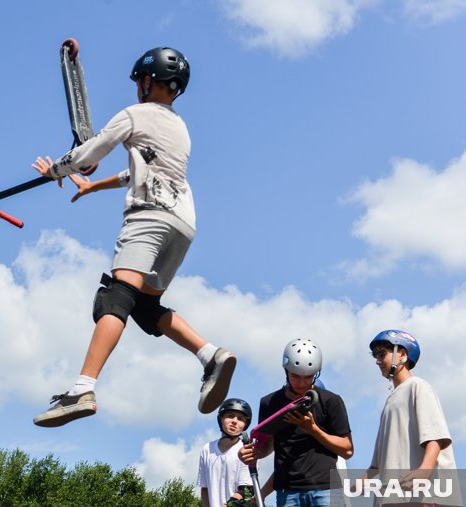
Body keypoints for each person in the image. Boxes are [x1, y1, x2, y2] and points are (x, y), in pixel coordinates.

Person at [31, 47, 236, 427]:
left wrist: (56, 170)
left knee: (117, 296)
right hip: (183, 224)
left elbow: (90, 152)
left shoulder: (134, 115)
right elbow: (135, 171)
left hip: (149, 216)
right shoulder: (179, 127)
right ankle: (210, 355)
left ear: (146, 81)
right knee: (143, 306)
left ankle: (82, 388)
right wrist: (93, 187)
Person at [239, 338, 353, 506]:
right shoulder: (269, 403)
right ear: (286, 371)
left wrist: (313, 429)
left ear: (316, 373)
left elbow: (347, 450)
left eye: (308, 377)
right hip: (287, 492)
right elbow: (267, 446)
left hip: (326, 489)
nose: (301, 383)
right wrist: (250, 453)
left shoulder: (331, 401)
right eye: (295, 376)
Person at [360, 329, 460, 506]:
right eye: (375, 356)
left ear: (402, 354)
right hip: (395, 495)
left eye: (382, 354)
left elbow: (435, 436)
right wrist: (365, 477)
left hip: (423, 495)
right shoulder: (391, 400)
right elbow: (380, 458)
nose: (377, 361)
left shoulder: (418, 387)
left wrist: (425, 470)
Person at [197, 398, 255, 507]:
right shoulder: (207, 449)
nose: (234, 421)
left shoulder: (246, 450)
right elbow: (204, 488)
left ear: (245, 425)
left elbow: (246, 491)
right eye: (230, 416)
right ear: (221, 418)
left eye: (240, 418)